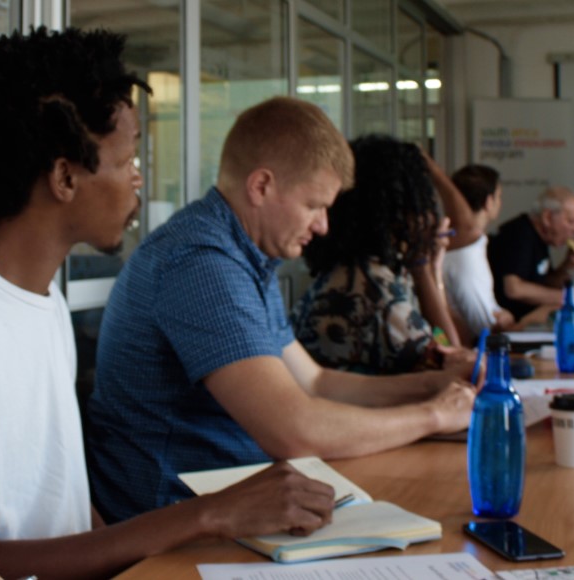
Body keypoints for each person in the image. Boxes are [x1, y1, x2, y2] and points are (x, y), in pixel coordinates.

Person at [0, 29, 336, 580]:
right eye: (127, 160)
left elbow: (63, 510)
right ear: (63, 177)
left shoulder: (45, 301)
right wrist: (207, 514)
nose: (138, 180)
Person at [88, 98, 477, 524]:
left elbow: (315, 381)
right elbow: (294, 430)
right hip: (169, 526)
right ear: (261, 186)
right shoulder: (201, 262)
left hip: (230, 504)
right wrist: (434, 415)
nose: (324, 225)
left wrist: (433, 385)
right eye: (314, 205)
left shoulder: (246, 255)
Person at [292, 135, 467, 374]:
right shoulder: (374, 289)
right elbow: (451, 358)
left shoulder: (357, 269)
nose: (427, 215)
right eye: (420, 202)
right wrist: (424, 269)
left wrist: (427, 267)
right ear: (398, 208)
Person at [429, 160, 515, 341]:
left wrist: (504, 315)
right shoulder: (467, 247)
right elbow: (483, 329)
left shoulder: (470, 244)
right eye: (499, 196)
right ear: (489, 201)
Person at [488, 186, 574, 321]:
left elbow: (543, 283)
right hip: (509, 327)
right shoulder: (519, 235)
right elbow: (514, 289)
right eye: (571, 221)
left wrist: (567, 265)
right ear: (547, 217)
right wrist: (570, 297)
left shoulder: (541, 239)